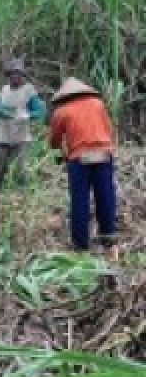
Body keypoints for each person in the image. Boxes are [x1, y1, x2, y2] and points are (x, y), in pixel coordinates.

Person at [48, 77, 117, 251]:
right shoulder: (98, 104)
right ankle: (108, 237)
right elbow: (108, 129)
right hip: (103, 154)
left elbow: (54, 141)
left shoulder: (62, 111)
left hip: (79, 158)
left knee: (80, 201)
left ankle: (80, 244)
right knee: (106, 197)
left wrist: (63, 150)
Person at [0, 58, 46, 189]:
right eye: (13, 74)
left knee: (20, 164)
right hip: (4, 131)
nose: (15, 76)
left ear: (23, 76)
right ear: (9, 76)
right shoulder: (4, 90)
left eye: (18, 74)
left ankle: (22, 188)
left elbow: (40, 111)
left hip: (21, 133)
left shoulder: (28, 90)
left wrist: (28, 115)